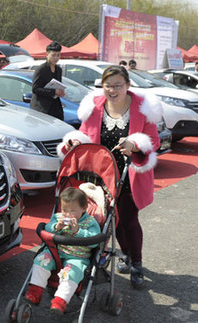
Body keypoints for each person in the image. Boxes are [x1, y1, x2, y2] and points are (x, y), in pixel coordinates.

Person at [57, 65, 162, 289]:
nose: (112, 90)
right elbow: (85, 134)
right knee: (109, 221)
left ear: (127, 85)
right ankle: (125, 254)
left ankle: (136, 263)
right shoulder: (94, 107)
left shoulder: (143, 109)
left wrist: (135, 145)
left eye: (117, 85)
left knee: (127, 219)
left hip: (129, 173)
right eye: (108, 86)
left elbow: (154, 140)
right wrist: (74, 141)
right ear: (102, 86)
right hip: (100, 174)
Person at [24, 187, 101, 314]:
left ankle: (60, 301)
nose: (68, 214)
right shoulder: (58, 217)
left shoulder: (90, 222)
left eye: (72, 211)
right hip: (56, 252)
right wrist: (56, 227)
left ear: (83, 208)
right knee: (41, 260)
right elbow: (48, 229)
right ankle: (35, 292)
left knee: (71, 273)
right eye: (65, 210)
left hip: (77, 256)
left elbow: (95, 240)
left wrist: (78, 232)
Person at [30, 41, 65, 120]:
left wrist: (60, 91)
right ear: (47, 54)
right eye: (53, 55)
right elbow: (35, 89)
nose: (56, 58)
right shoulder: (41, 69)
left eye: (58, 55)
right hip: (42, 108)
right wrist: (53, 92)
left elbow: (58, 84)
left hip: (56, 106)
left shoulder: (58, 69)